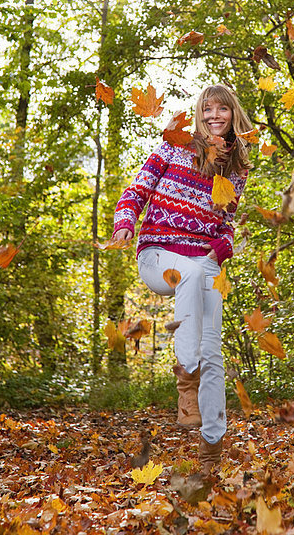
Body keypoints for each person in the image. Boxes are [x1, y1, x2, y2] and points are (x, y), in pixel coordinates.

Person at [112, 84, 252, 473]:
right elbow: (136, 190)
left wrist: (219, 250)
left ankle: (211, 451)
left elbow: (228, 222)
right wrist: (125, 222)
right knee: (189, 274)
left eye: (222, 110)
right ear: (198, 113)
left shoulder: (237, 166)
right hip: (159, 255)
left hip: (204, 262)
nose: (214, 116)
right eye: (207, 109)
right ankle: (185, 379)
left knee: (214, 354)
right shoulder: (174, 145)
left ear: (232, 115)